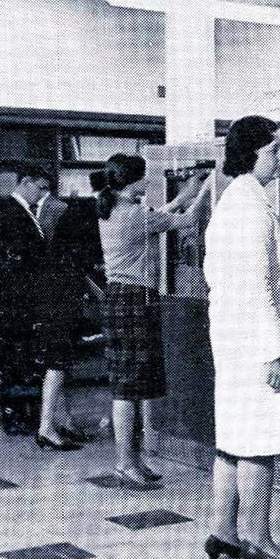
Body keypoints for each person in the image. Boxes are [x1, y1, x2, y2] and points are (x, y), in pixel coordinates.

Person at [203, 116, 280, 559]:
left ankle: (222, 531)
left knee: (233, 438)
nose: (278, 161)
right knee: (260, 440)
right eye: (274, 151)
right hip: (256, 338)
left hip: (232, 336)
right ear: (253, 154)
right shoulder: (249, 208)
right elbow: (256, 287)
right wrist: (274, 350)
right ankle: (259, 539)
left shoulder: (232, 203)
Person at [95, 154, 207, 486]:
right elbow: (188, 221)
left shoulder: (115, 208)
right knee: (128, 387)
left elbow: (162, 214)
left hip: (121, 297)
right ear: (133, 182)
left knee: (129, 384)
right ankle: (126, 463)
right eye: (144, 179)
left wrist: (186, 193)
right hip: (133, 299)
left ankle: (130, 460)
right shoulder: (134, 215)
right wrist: (208, 187)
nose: (148, 183)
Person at [0, 164, 83, 449]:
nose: (43, 195)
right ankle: (40, 423)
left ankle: (57, 420)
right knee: (34, 360)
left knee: (47, 361)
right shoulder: (14, 213)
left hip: (25, 300)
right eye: (40, 188)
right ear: (25, 183)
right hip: (23, 302)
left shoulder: (24, 212)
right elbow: (22, 264)